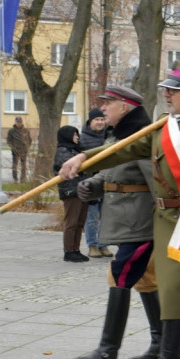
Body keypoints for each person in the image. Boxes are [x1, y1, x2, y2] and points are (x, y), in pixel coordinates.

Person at [59, 63, 180, 359]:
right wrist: (83, 158)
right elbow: (123, 151)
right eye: (165, 90)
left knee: (179, 295)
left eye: (174, 91)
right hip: (170, 222)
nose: (166, 95)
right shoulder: (165, 127)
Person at [73, 86, 161, 359]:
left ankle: (108, 351)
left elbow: (160, 182)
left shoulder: (143, 137)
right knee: (146, 280)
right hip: (126, 222)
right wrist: (94, 184)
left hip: (142, 223)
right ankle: (160, 344)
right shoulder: (117, 135)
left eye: (109, 104)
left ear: (125, 107)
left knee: (120, 274)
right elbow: (112, 174)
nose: (103, 110)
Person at [54, 126, 90, 263]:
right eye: (74, 134)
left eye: (77, 134)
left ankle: (76, 249)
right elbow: (72, 168)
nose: (77, 137)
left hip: (81, 189)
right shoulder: (63, 150)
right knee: (72, 222)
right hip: (71, 190)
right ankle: (69, 251)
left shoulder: (77, 150)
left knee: (80, 222)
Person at [80, 108, 112, 258]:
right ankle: (92, 245)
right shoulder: (83, 138)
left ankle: (103, 244)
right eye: (96, 120)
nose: (100, 122)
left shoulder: (109, 136)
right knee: (92, 217)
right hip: (91, 183)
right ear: (90, 121)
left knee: (105, 216)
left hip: (107, 181)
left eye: (102, 119)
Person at [7, 116, 32, 183]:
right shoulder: (11, 131)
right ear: (15, 122)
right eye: (17, 122)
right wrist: (13, 147)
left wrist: (27, 147)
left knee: (23, 165)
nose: (19, 123)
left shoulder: (26, 131)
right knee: (15, 164)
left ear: (22, 122)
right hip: (15, 150)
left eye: (20, 122)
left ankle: (23, 178)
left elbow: (29, 140)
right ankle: (15, 178)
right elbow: (9, 140)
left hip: (24, 150)